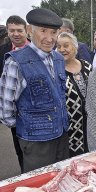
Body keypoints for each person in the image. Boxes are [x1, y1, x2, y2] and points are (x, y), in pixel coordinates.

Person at [0, 8, 69, 172]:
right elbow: (5, 110)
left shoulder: (58, 58)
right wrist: (28, 127)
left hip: (61, 136)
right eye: (43, 31)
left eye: (53, 32)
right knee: (37, 185)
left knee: (62, 181)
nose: (49, 38)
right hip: (36, 142)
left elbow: (60, 94)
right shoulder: (15, 61)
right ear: (30, 31)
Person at [0, 15, 30, 173]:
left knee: (35, 152)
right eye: (12, 30)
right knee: (20, 149)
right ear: (7, 31)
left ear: (26, 31)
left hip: (32, 112)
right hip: (14, 112)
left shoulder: (36, 49)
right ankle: (24, 174)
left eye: (19, 30)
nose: (16, 34)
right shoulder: (3, 52)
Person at [56, 32, 92, 157]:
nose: (61, 50)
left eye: (66, 46)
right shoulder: (55, 70)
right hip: (69, 131)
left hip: (91, 127)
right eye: (58, 46)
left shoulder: (87, 66)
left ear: (75, 47)